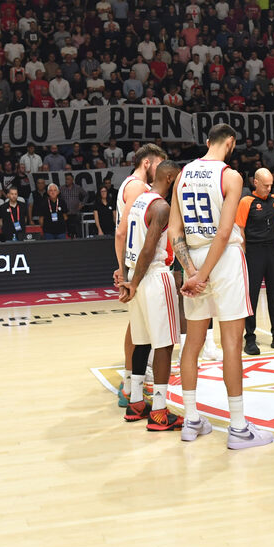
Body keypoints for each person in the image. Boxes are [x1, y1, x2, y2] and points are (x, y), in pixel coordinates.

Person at [170, 124, 273, 449]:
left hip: (195, 258)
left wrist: (191, 271)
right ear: (230, 143)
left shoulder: (183, 175)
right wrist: (205, 275)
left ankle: (190, 420)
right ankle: (238, 428)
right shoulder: (231, 176)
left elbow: (175, 230)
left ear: (206, 141)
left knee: (193, 344)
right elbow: (226, 231)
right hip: (223, 260)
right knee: (231, 344)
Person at [118, 160, 184, 431]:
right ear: (169, 177)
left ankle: (135, 402)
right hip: (153, 275)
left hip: (136, 275)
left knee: (142, 342)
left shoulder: (139, 201)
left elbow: (123, 235)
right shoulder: (161, 206)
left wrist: (128, 276)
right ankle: (158, 410)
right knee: (164, 345)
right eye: (177, 178)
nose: (180, 183)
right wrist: (133, 281)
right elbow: (148, 249)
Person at [112, 143, 168, 406]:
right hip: (140, 264)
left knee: (137, 324)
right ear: (147, 163)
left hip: (133, 262)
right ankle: (129, 383)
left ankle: (130, 383)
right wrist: (124, 270)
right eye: (159, 163)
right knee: (140, 327)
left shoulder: (129, 184)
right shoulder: (137, 187)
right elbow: (123, 231)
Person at [236, 167, 274, 354]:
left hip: (272, 249)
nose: (269, 189)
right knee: (251, 296)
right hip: (253, 251)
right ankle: (250, 338)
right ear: (256, 183)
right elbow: (240, 230)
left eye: (271, 185)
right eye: (266, 185)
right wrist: (245, 253)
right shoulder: (246, 201)